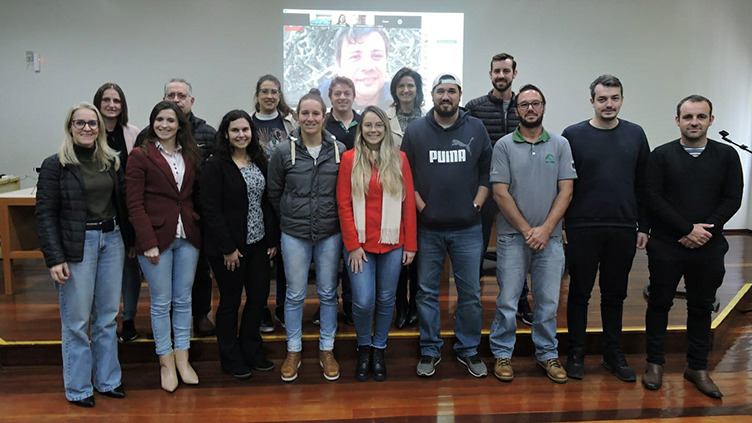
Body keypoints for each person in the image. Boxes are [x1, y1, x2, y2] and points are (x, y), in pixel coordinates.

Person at [642, 95, 742, 399]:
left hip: (709, 246)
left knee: (701, 306)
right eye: (688, 117)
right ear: (677, 121)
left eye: (700, 116)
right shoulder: (661, 155)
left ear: (711, 120)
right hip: (666, 245)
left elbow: (732, 198)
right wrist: (686, 229)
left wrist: (703, 231)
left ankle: (697, 367)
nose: (694, 122)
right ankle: (654, 363)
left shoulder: (726, 155)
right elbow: (653, 197)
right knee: (659, 303)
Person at [36, 102, 131, 407]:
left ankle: (108, 380)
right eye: (80, 123)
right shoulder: (55, 165)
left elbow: (122, 205)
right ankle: (78, 387)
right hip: (78, 246)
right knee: (76, 321)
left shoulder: (111, 161)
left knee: (107, 317)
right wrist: (54, 258)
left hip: (112, 241)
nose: (87, 128)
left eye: (92, 123)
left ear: (100, 128)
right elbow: (45, 215)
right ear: (70, 127)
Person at [401, 73, 492, 379]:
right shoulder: (416, 130)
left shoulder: (476, 127)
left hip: (468, 228)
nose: (446, 96)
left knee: (470, 293)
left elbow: (486, 172)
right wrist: (422, 207)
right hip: (428, 229)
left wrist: (476, 204)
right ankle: (430, 349)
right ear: (432, 95)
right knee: (426, 292)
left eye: (451, 91)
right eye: (440, 91)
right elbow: (406, 174)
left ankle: (468, 349)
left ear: (459, 95)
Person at [562, 75, 650, 382]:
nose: (609, 104)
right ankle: (576, 352)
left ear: (622, 99)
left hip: (623, 227)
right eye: (602, 99)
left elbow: (644, 184)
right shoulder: (573, 135)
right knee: (579, 293)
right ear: (592, 102)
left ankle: (613, 353)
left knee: (615, 295)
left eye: (614, 98)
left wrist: (644, 225)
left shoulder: (635, 134)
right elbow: (564, 184)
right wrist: (563, 223)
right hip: (582, 227)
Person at [489, 84, 577, 384]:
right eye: (524, 104)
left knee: (548, 302)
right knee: (508, 301)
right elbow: (500, 193)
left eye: (535, 103)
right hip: (513, 238)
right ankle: (502, 354)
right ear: (517, 110)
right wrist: (529, 231)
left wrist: (546, 229)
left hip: (550, 239)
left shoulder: (560, 144)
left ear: (543, 107)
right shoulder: (503, 146)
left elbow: (566, 191)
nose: (530, 109)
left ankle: (547, 354)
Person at [268, 89, 346, 382]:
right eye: (305, 113)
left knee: (328, 293)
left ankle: (327, 348)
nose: (310, 118)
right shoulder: (282, 151)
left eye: (315, 113)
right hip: (294, 235)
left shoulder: (338, 150)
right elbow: (274, 192)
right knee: (295, 294)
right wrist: (291, 218)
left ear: (324, 117)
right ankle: (294, 350)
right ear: (297, 116)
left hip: (329, 234)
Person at [126, 101, 203, 393]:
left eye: (171, 120)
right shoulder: (140, 155)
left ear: (179, 124)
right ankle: (166, 362)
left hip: (188, 237)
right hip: (155, 239)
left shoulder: (190, 153)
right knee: (161, 303)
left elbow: (191, 196)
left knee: (183, 300)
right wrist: (147, 242)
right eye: (159, 119)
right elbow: (134, 204)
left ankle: (183, 358)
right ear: (152, 122)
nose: (164, 125)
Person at [337, 105, 417, 381]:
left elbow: (408, 205)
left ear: (386, 128)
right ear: (361, 129)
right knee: (362, 301)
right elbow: (344, 205)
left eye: (378, 125)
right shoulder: (349, 159)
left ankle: (379, 348)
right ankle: (364, 347)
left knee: (385, 299)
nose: (373, 130)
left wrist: (410, 245)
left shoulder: (400, 159)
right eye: (368, 125)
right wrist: (352, 245)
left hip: (393, 244)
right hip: (359, 245)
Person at [135, 78, 217, 337]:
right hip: (161, 222)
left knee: (199, 272)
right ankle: (165, 326)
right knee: (163, 282)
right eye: (171, 95)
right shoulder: (146, 137)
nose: (176, 100)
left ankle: (201, 315)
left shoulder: (206, 133)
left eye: (181, 95)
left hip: (196, 218)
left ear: (191, 101)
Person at [201, 110, 278, 379]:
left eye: (245, 129)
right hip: (229, 249)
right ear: (226, 134)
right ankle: (230, 356)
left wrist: (271, 240)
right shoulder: (215, 165)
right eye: (235, 130)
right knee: (230, 302)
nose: (241, 135)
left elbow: (267, 202)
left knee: (257, 299)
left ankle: (251, 350)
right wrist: (228, 248)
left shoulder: (259, 159)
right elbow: (210, 210)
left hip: (258, 244)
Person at [465, 53, 531, 326]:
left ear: (514, 74)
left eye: (506, 71)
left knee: (517, 247)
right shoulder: (474, 107)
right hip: (482, 189)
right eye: (497, 71)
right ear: (490, 74)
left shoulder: (526, 105)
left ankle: (522, 300)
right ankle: (471, 303)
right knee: (476, 249)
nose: (501, 75)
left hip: (516, 191)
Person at [92, 83, 142, 342]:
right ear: (98, 103)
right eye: (106, 100)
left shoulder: (133, 133)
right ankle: (102, 321)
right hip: (101, 212)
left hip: (128, 209)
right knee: (103, 273)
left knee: (131, 267)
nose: (111, 105)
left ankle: (129, 318)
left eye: (117, 101)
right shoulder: (90, 131)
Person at [251, 74, 298, 332]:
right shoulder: (247, 122)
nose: (270, 96)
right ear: (257, 95)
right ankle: (260, 309)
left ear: (280, 96)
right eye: (265, 91)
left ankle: (282, 306)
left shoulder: (290, 123)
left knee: (284, 257)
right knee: (260, 259)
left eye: (274, 92)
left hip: (284, 196)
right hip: (256, 199)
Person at [386, 67, 424, 329]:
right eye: (401, 86)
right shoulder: (385, 117)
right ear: (394, 90)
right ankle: (400, 305)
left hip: (423, 190)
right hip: (393, 192)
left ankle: (415, 307)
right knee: (399, 251)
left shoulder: (429, 116)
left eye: (410, 85)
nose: (406, 90)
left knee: (419, 253)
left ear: (417, 89)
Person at [322, 76, 360, 325]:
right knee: (328, 260)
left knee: (352, 256)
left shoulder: (364, 123)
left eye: (347, 93)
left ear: (354, 96)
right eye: (338, 93)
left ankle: (350, 305)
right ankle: (327, 306)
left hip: (358, 200)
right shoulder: (322, 124)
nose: (342, 97)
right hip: (327, 198)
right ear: (330, 97)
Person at [319, 27, 391, 111]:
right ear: (339, 64)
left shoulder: (399, 97)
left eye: (377, 56)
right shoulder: (322, 96)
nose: (368, 67)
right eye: (355, 57)